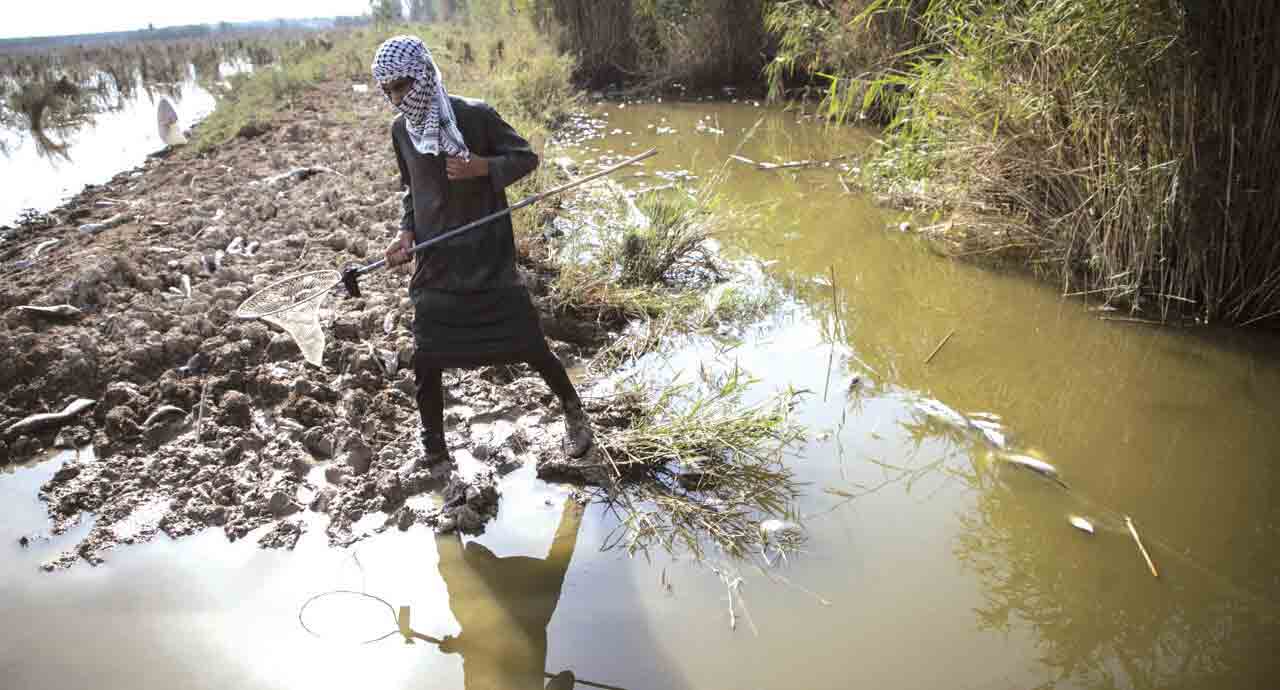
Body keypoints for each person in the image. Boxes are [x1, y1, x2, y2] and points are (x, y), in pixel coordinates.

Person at [370, 35, 592, 470]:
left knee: (529, 343)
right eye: (388, 90)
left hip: (487, 255)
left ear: (422, 74)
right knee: (428, 356)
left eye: (402, 87)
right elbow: (410, 191)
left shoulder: (476, 116)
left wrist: (482, 167)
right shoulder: (402, 131)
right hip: (436, 264)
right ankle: (435, 449)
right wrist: (405, 232)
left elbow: (525, 158)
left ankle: (574, 414)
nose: (397, 99)